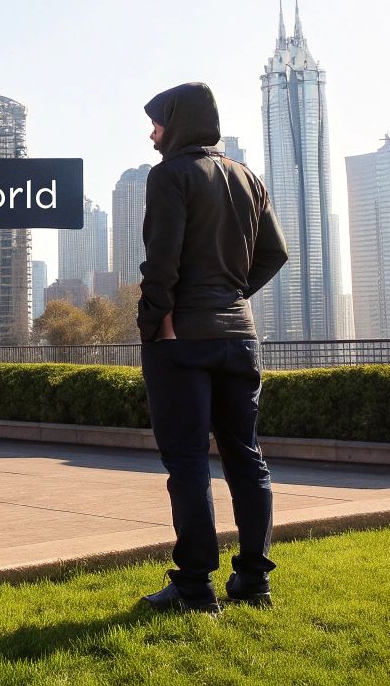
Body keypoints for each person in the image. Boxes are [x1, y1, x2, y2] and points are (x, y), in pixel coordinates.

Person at [133, 81, 288, 615]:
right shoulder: (248, 177)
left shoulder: (169, 175)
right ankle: (254, 580)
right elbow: (275, 253)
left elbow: (161, 262)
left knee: (188, 461)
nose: (152, 134)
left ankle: (195, 587)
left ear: (177, 122)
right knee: (247, 457)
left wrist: (154, 324)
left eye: (156, 123)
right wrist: (233, 296)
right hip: (239, 338)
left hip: (182, 339)